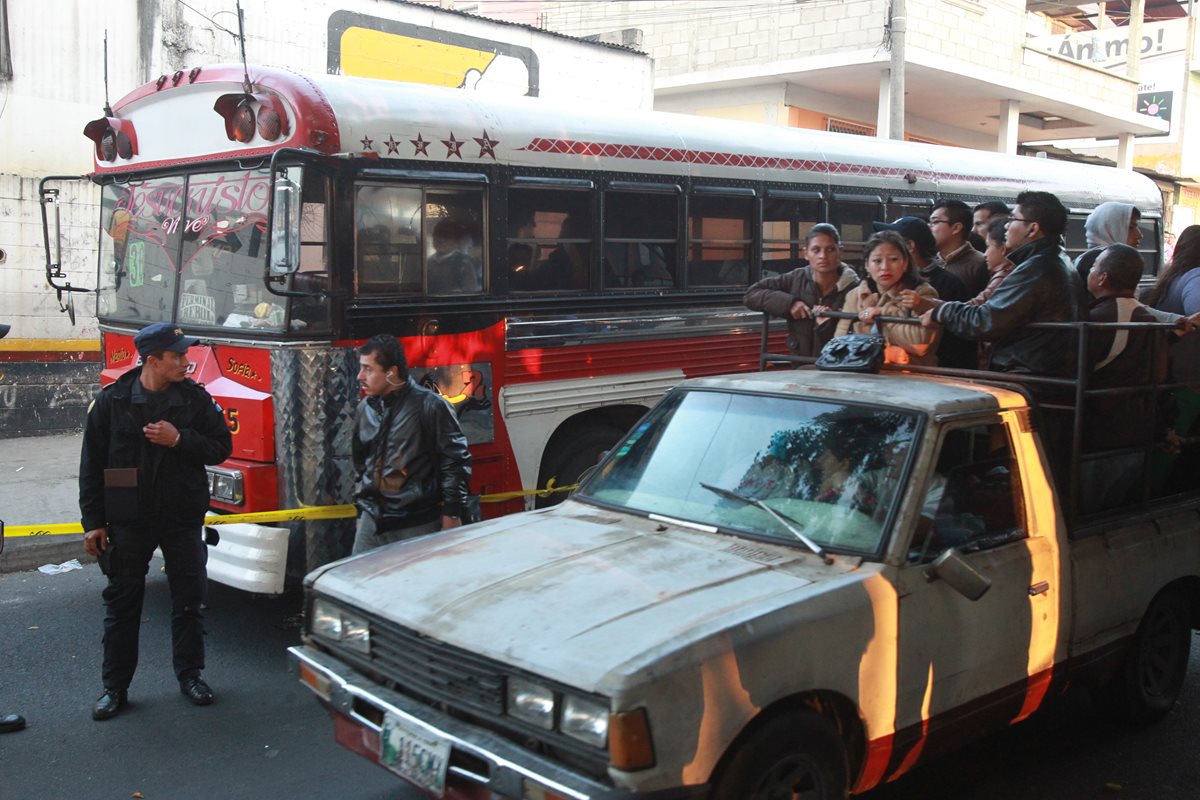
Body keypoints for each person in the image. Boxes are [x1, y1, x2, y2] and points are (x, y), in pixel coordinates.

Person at [80, 322, 233, 721]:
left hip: (181, 516)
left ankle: (191, 675)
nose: (186, 361)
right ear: (152, 361)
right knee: (122, 604)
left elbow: (221, 447)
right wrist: (93, 522)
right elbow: (91, 465)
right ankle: (114, 688)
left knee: (188, 601)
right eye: (177, 355)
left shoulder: (195, 400)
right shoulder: (113, 401)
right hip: (128, 518)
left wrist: (179, 439)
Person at [923, 190, 1082, 376]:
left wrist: (942, 311)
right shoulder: (1056, 260)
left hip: (1028, 376)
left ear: (1032, 229)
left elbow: (987, 321)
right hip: (1044, 373)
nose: (1006, 226)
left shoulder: (1036, 269)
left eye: (1013, 219)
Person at [351, 334, 472, 555]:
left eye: (368, 369)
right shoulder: (365, 409)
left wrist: (451, 514)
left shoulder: (431, 406)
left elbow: (454, 463)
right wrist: (361, 514)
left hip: (416, 523)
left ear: (391, 373)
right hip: (372, 521)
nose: (360, 376)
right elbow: (361, 466)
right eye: (361, 368)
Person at [1080, 244, 1172, 511]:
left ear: (1102, 278)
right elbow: (1164, 378)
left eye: (1095, 266)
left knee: (1088, 509)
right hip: (1137, 435)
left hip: (1102, 436)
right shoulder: (1147, 318)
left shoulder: (1101, 319)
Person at [743, 223, 860, 359]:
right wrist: (790, 303)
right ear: (806, 253)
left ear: (840, 252)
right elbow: (751, 294)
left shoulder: (854, 287)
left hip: (841, 367)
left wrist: (828, 324)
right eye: (816, 250)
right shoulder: (795, 278)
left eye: (830, 250)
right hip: (800, 364)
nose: (823, 256)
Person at [873, 216, 974, 368]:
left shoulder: (944, 284)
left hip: (936, 372)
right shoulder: (876, 284)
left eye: (893, 243)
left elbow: (939, 341)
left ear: (910, 246)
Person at [828, 230, 939, 366]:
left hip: (911, 376)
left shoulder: (922, 293)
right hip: (861, 372)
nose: (885, 267)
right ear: (867, 265)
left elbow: (919, 343)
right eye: (877, 261)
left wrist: (882, 313)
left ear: (905, 263)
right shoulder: (855, 295)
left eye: (893, 260)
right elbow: (840, 340)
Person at [930, 200, 990, 296]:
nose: (929, 227)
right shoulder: (930, 262)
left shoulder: (979, 264)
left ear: (956, 228)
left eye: (935, 222)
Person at [1075, 201, 1142, 284]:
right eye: (1130, 227)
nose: (1139, 235)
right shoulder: (1109, 262)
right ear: (1109, 229)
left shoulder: (1083, 259)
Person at [427, 219, 482, 295]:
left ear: (456, 242)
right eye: (437, 236)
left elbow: (470, 292)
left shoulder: (464, 263)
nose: (441, 241)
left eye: (447, 237)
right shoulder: (428, 262)